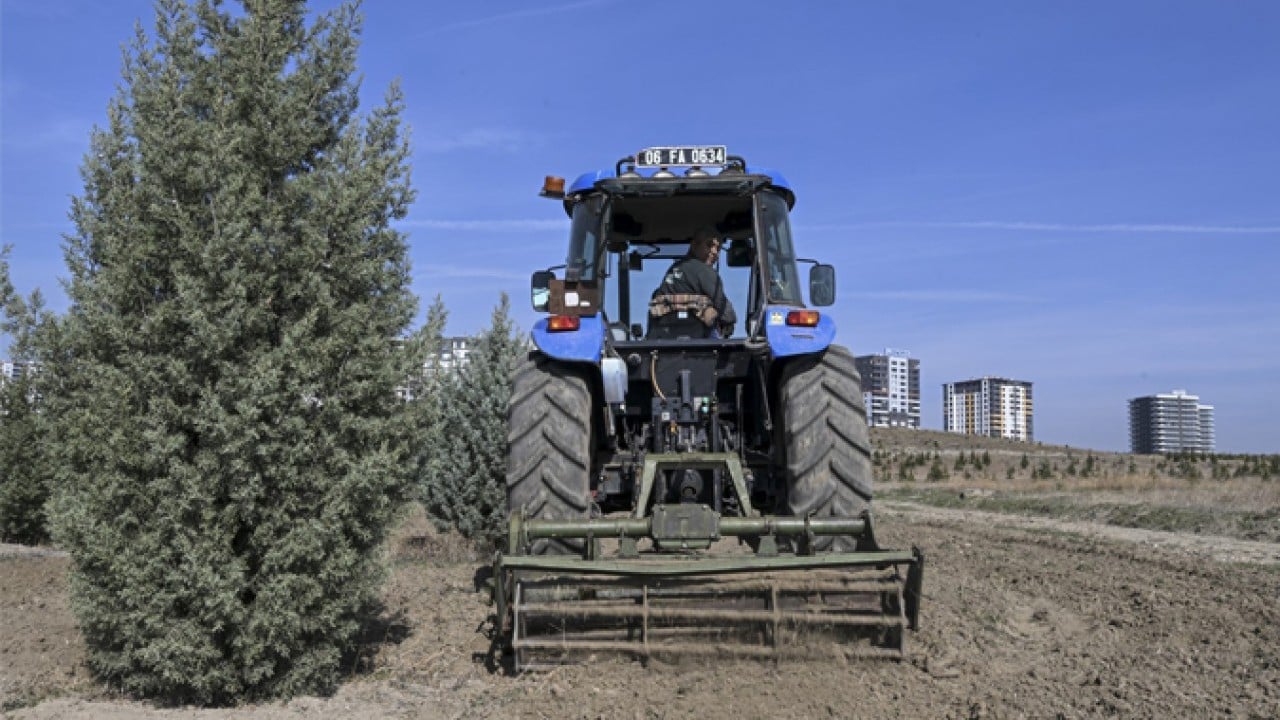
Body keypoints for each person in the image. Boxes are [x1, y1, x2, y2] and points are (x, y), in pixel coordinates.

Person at [648, 227, 737, 338]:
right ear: (694, 245)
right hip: (698, 340)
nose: (714, 252)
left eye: (718, 249)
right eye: (709, 245)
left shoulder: (673, 269)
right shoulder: (705, 271)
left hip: (662, 338)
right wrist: (729, 321)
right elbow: (723, 307)